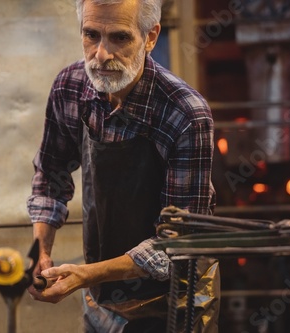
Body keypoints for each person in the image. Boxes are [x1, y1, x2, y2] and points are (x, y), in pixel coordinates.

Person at [27, 0, 217, 331]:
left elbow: (178, 242)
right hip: (102, 294)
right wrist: (40, 251)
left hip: (176, 299)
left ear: (151, 37)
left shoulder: (185, 114)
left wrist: (85, 274)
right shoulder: (70, 88)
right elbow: (50, 178)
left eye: (119, 38)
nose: (100, 54)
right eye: (91, 35)